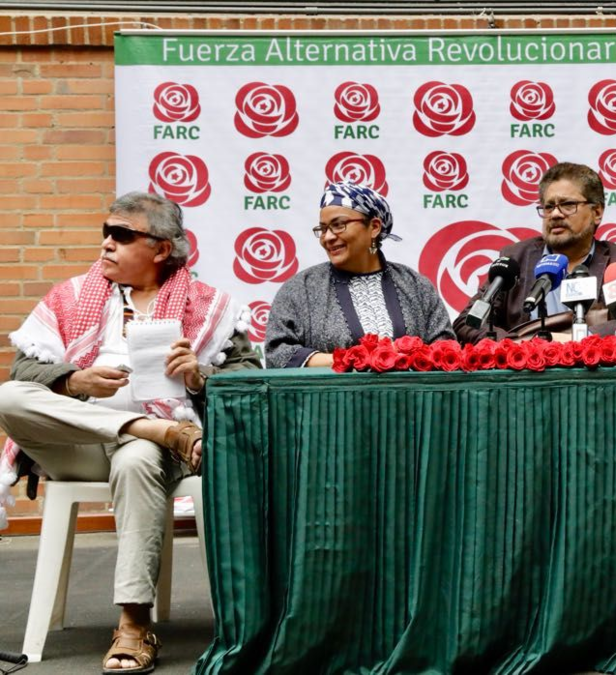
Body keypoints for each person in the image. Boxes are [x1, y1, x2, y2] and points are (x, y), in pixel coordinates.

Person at [0, 192, 260, 672]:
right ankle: (152, 428)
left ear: (161, 248)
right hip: (78, 443)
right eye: (106, 233)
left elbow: (249, 380)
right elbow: (23, 371)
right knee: (8, 397)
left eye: (121, 235)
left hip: (157, 456)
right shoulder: (72, 296)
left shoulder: (209, 307)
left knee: (137, 456)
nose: (106, 244)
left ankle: (134, 624)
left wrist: (199, 377)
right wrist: (75, 380)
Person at [453, 162, 616, 343]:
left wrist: (578, 340)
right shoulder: (516, 259)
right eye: (548, 207)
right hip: (527, 366)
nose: (555, 214)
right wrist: (518, 345)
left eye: (567, 205)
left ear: (597, 212)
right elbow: (468, 322)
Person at [265, 182, 454, 368]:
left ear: (374, 227)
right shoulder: (301, 289)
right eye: (323, 229)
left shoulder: (415, 285)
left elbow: (446, 349)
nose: (328, 237)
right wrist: (349, 360)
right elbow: (278, 353)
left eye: (338, 225)